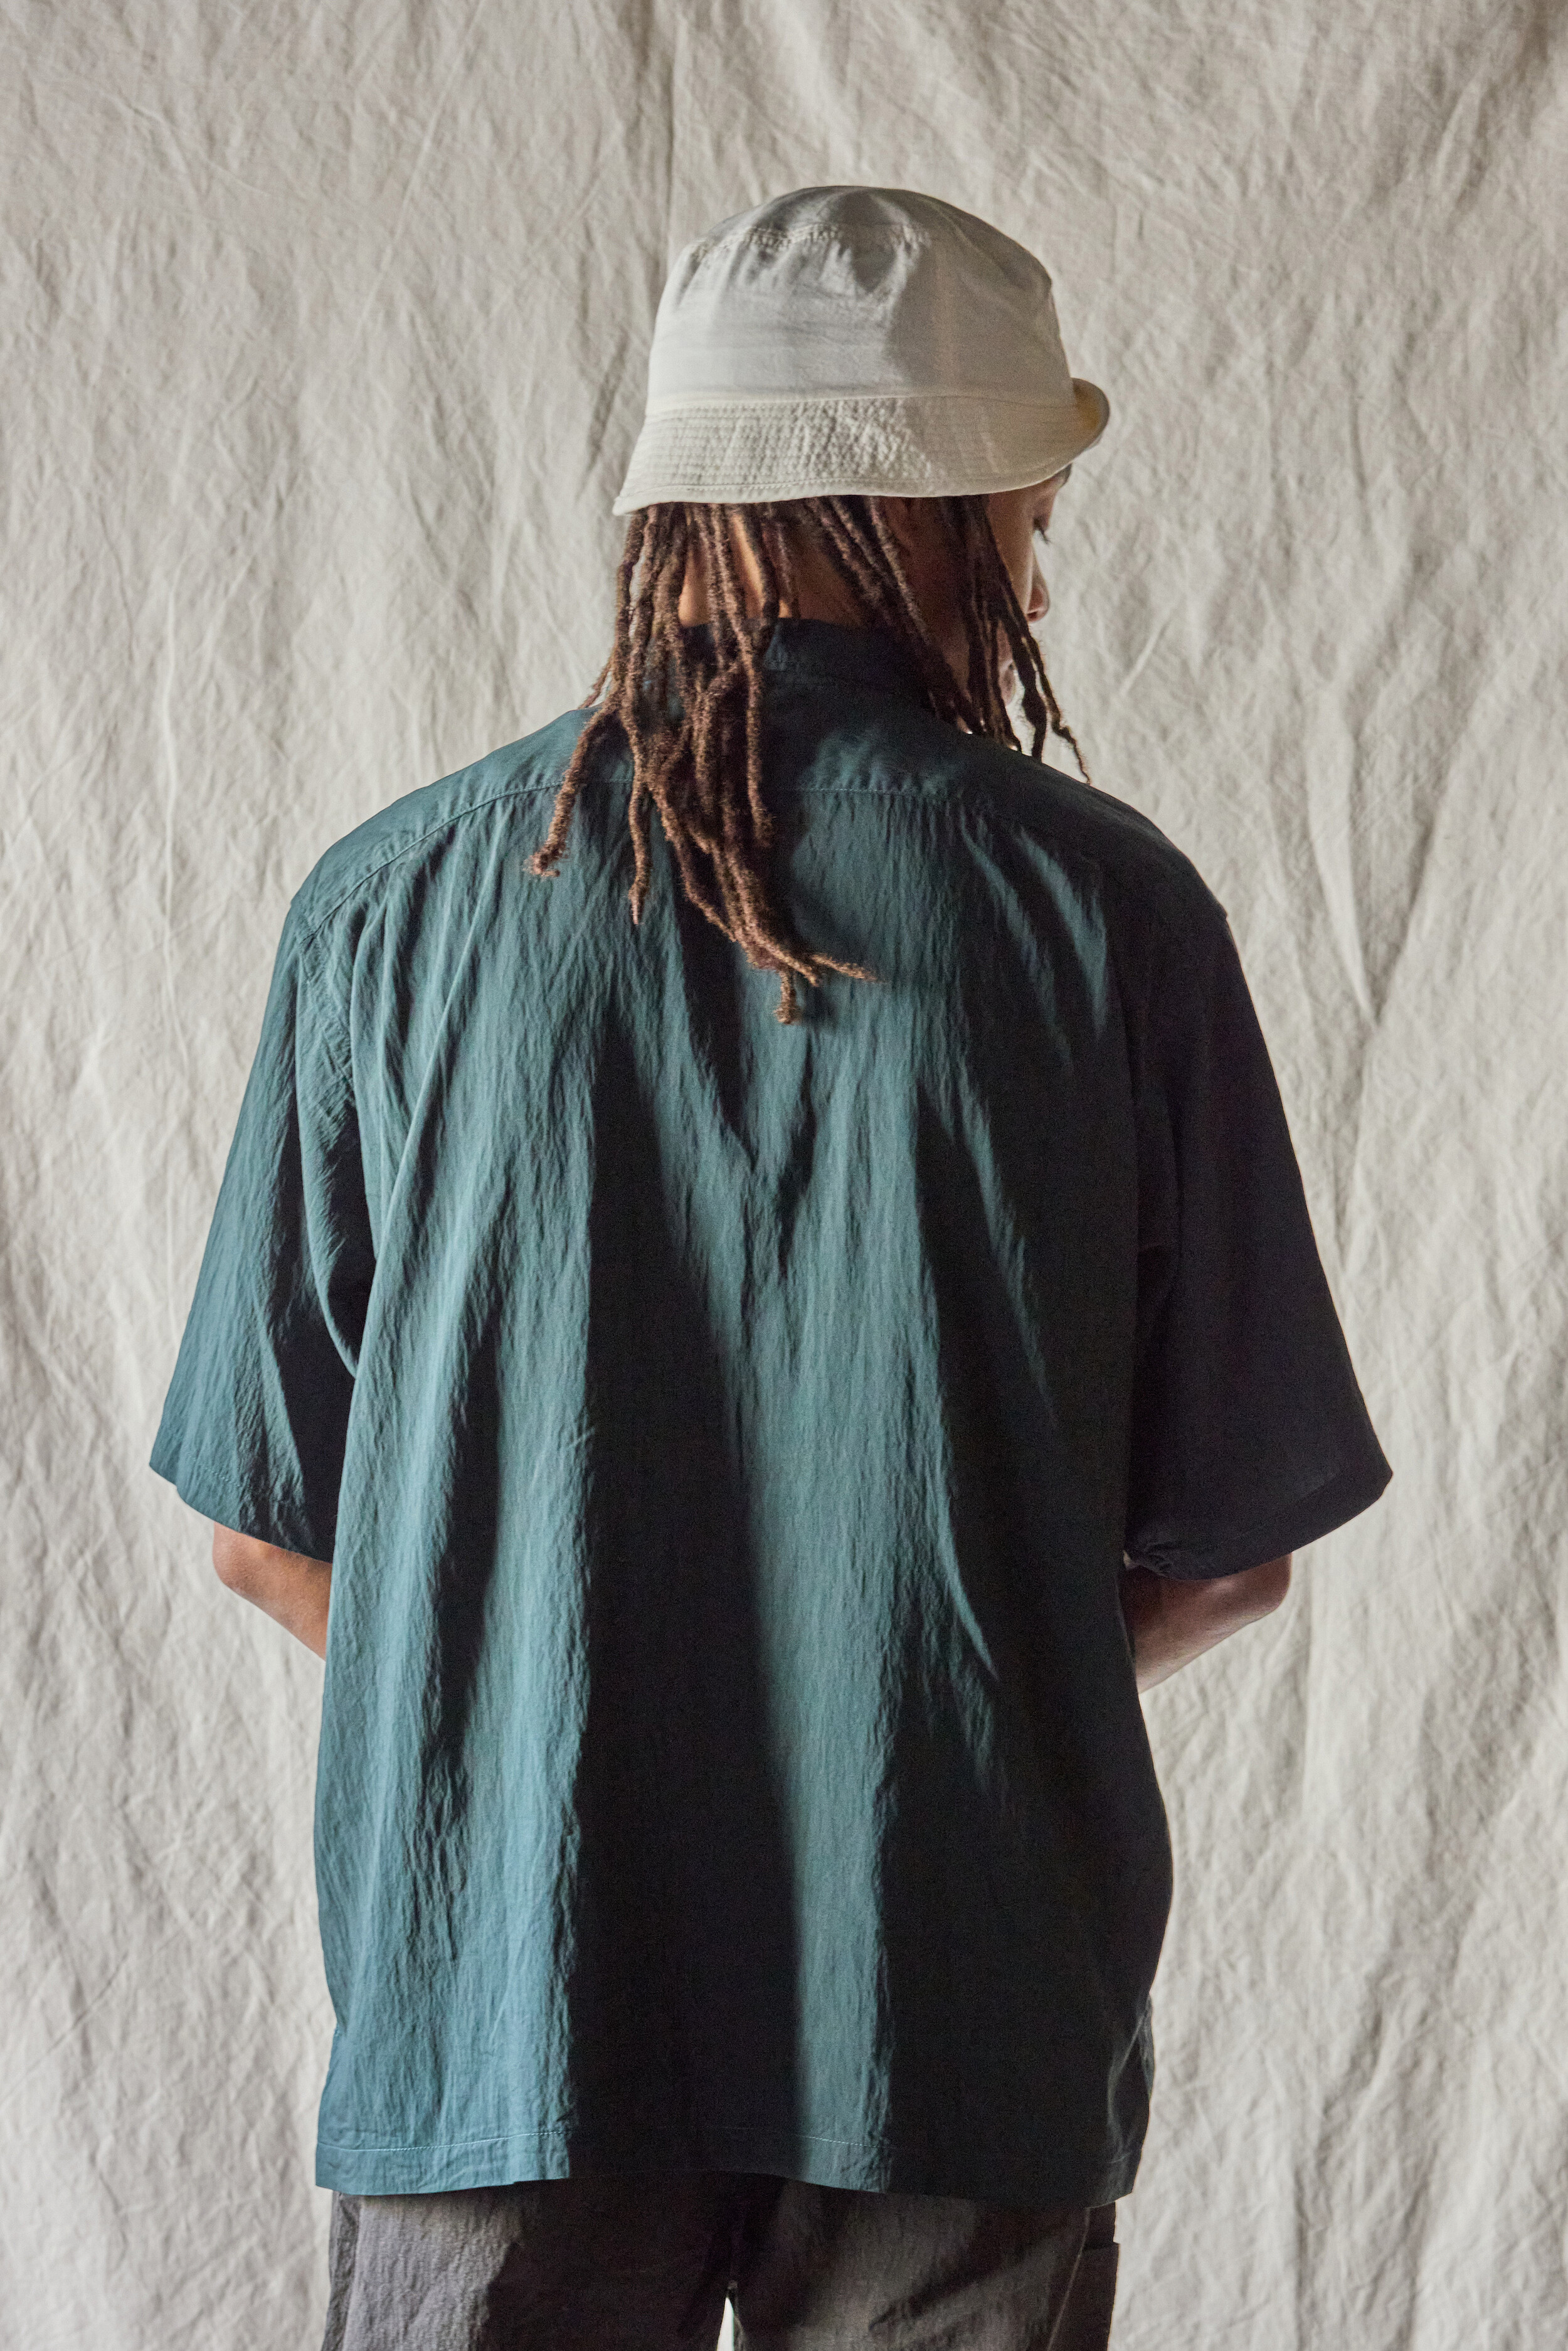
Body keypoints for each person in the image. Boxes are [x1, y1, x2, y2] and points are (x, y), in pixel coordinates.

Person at [151, 186, 1392, 2350]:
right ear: (926, 501)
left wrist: (539, 1706)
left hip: (504, 2001)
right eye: (1026, 511)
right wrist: (924, 1694)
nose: (1036, 569)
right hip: (956, 1998)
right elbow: (1228, 1552)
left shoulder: (391, 910)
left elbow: (267, 1535)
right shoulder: (1104, 914)